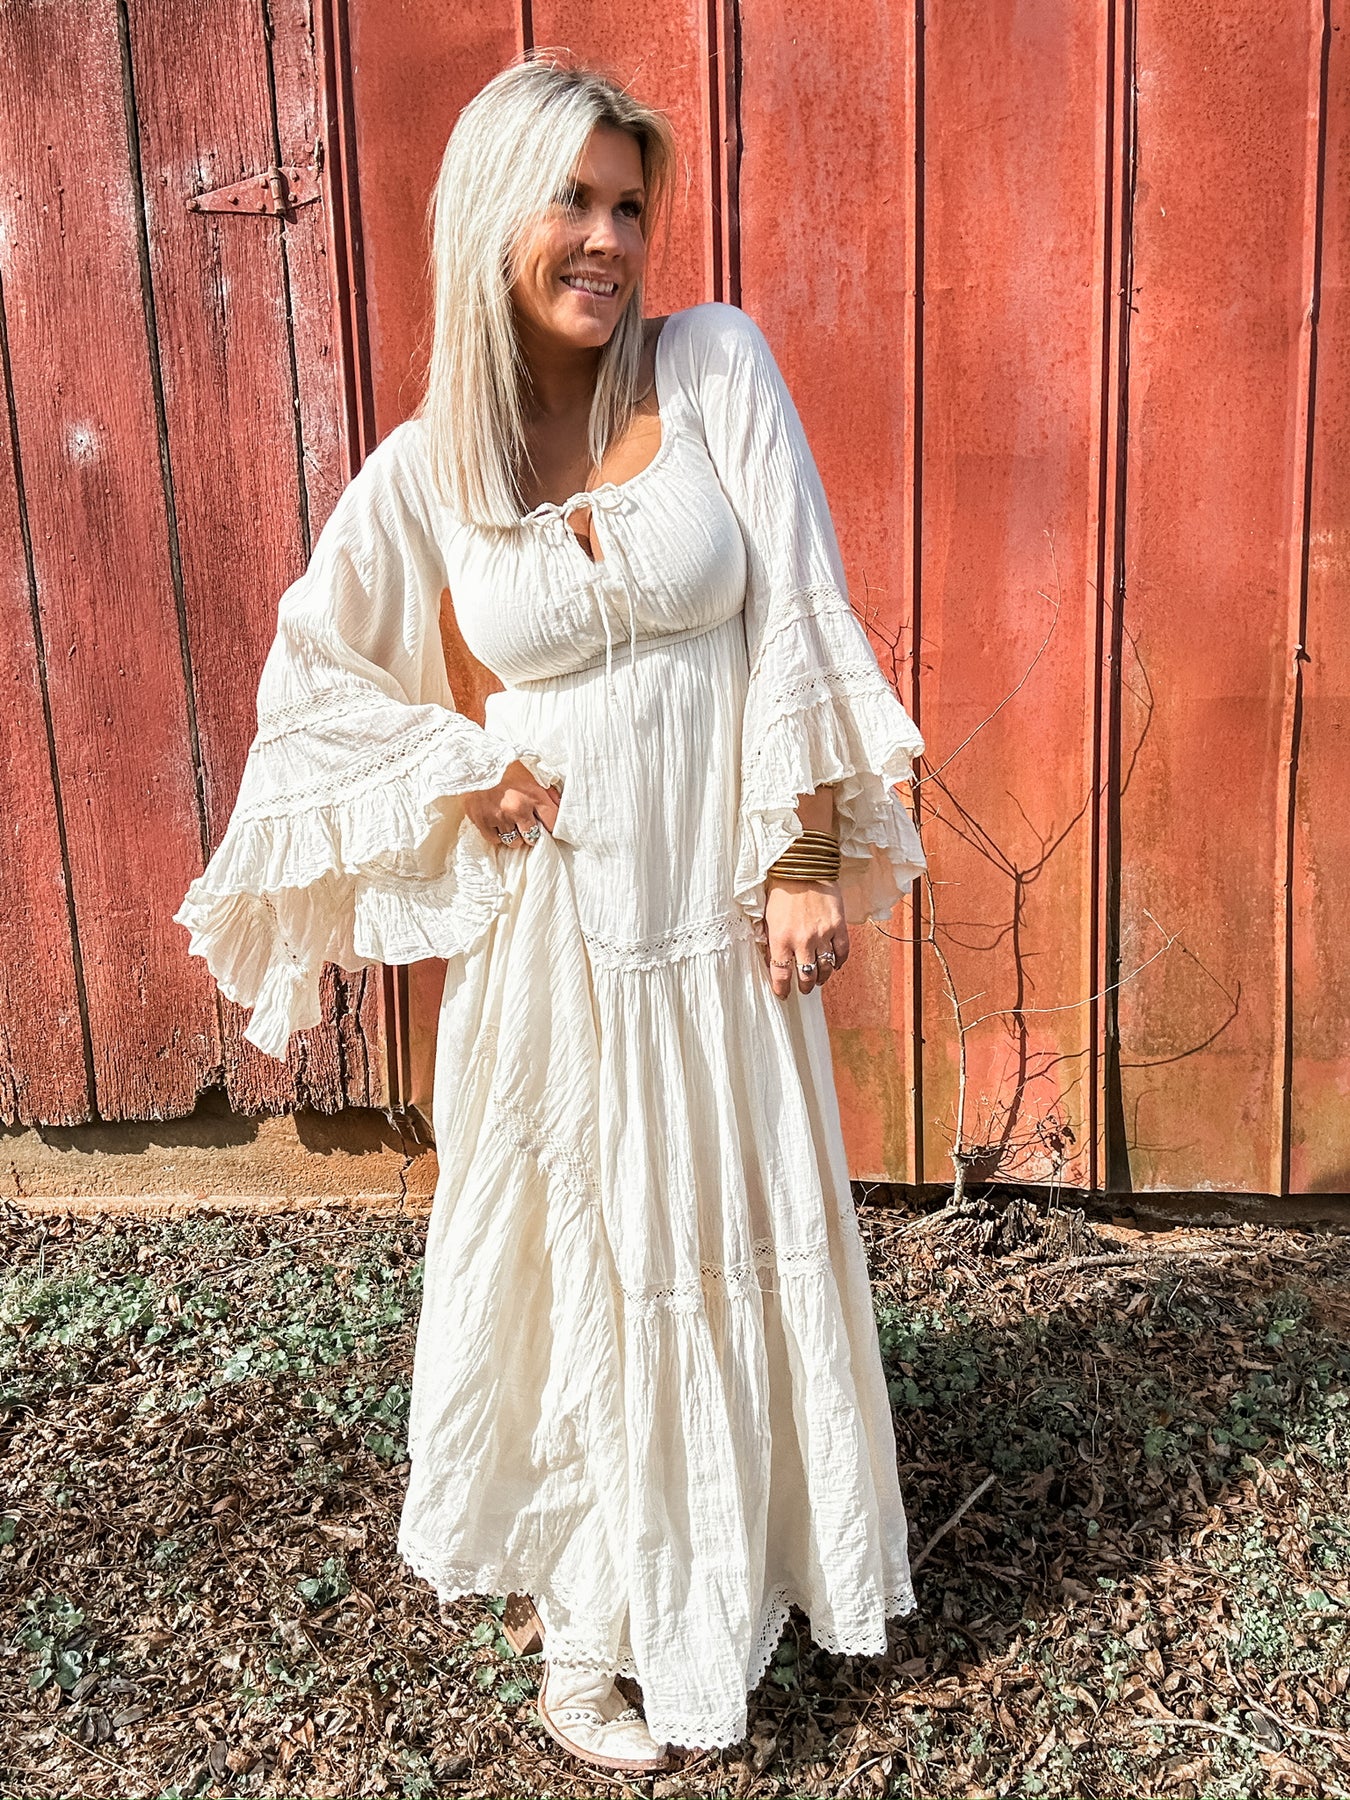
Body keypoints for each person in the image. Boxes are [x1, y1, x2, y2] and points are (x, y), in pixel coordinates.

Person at [174, 50, 926, 1775]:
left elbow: (798, 612)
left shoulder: (710, 362)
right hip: (560, 948)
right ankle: (590, 1621)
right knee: (588, 1256)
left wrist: (803, 854)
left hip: (713, 932)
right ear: (487, 218)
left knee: (720, 1234)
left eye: (627, 205)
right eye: (571, 201)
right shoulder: (433, 469)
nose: (608, 238)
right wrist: (461, 767)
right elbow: (310, 686)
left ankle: (732, 1569)